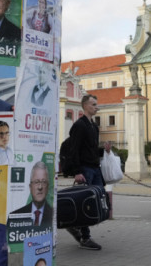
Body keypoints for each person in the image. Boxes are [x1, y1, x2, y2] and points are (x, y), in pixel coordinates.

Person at [64, 94, 110, 251]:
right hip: (85, 169)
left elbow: (90, 149)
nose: (96, 107)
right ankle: (85, 237)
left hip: (95, 168)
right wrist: (77, 171)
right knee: (86, 203)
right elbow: (74, 149)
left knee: (99, 199)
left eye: (97, 104)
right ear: (85, 106)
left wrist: (104, 151)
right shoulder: (79, 125)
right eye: (93, 104)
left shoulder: (94, 126)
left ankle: (75, 226)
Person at [9, 161, 53, 230]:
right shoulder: (14, 216)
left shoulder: (53, 214)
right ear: (30, 187)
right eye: (36, 182)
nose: (40, 187)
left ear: (48, 186)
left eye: (44, 182)